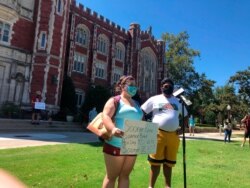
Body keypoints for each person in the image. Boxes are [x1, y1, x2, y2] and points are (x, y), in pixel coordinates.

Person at [141, 77, 188, 188]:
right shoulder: (154, 99)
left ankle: (168, 186)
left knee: (169, 163)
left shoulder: (178, 101)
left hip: (173, 136)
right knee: (155, 163)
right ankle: (151, 186)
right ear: (161, 87)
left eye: (170, 86)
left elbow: (186, 115)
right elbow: (142, 111)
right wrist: (146, 126)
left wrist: (182, 129)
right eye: (166, 86)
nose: (168, 88)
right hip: (158, 134)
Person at [101, 75, 143, 188]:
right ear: (122, 86)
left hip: (132, 144)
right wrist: (113, 129)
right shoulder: (115, 100)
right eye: (131, 85)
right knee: (112, 176)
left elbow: (139, 120)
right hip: (115, 143)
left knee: (125, 175)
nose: (134, 87)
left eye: (135, 85)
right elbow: (105, 116)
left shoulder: (137, 103)